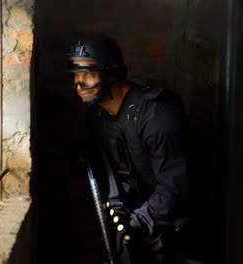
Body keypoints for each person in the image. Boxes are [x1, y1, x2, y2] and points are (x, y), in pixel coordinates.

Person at [67, 35, 194, 264]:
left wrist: (137, 225)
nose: (79, 83)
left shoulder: (155, 114)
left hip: (173, 232)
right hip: (135, 233)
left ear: (112, 74)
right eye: (76, 73)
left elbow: (175, 186)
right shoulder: (98, 115)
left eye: (89, 73)